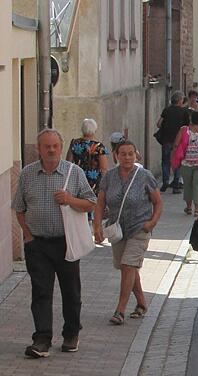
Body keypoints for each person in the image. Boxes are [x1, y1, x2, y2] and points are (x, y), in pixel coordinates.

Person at [13, 129, 97, 358]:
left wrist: (70, 200)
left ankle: (71, 333)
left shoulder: (74, 172)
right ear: (38, 149)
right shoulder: (28, 174)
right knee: (40, 292)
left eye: (55, 146)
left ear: (61, 148)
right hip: (38, 245)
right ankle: (41, 339)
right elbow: (19, 209)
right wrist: (28, 236)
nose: (51, 150)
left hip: (66, 243)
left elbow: (91, 203)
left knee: (71, 292)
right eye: (46, 146)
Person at [94, 141, 163, 325]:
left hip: (140, 227)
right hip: (118, 229)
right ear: (116, 156)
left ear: (136, 155)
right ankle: (141, 303)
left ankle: (120, 310)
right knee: (127, 268)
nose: (127, 157)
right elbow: (100, 203)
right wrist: (97, 226)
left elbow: (158, 202)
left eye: (130, 154)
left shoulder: (144, 176)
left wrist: (152, 223)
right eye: (123, 154)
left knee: (128, 265)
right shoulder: (109, 177)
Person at [157, 91, 189, 193]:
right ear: (180, 100)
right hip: (178, 141)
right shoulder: (184, 111)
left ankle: (165, 181)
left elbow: (159, 123)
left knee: (165, 161)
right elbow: (187, 127)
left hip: (167, 139)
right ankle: (176, 184)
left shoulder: (167, 110)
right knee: (177, 162)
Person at [67, 118, 110, 195]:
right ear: (95, 130)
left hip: (77, 178)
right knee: (93, 202)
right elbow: (104, 168)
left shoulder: (74, 143)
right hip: (94, 180)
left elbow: (68, 163)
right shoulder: (99, 147)